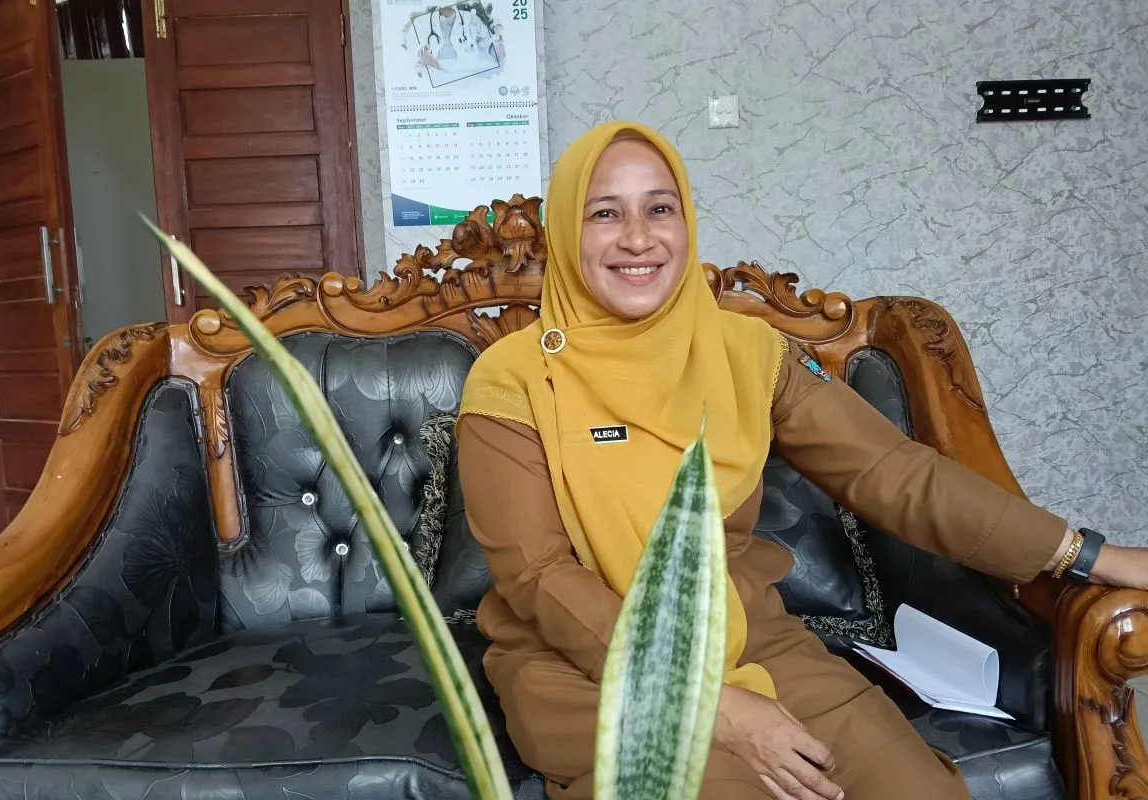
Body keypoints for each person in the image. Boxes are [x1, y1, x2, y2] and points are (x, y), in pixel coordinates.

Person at [455, 121, 1147, 800]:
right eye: (605, 213)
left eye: (659, 208)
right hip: (584, 664)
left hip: (742, 636)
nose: (639, 237)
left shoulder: (749, 355)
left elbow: (893, 473)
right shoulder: (513, 379)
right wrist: (712, 707)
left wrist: (1083, 554)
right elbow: (540, 576)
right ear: (566, 233)